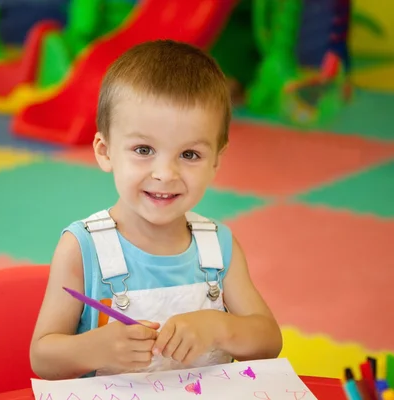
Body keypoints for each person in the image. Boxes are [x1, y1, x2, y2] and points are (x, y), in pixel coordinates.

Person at [29, 40, 282, 380]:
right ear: (105, 151)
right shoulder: (82, 248)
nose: (165, 174)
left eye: (189, 155)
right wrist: (94, 348)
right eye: (144, 149)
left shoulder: (219, 247)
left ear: (217, 160)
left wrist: (220, 327)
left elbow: (270, 341)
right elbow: (42, 358)